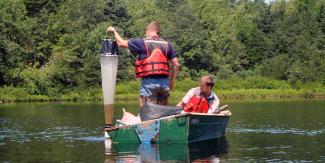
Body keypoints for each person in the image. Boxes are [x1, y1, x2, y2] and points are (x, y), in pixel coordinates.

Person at [107, 22, 180, 107]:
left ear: (148, 31)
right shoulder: (167, 45)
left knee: (147, 114)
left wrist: (114, 31)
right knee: (162, 114)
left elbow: (120, 43)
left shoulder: (142, 42)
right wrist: (171, 82)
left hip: (149, 84)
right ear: (158, 32)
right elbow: (176, 65)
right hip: (164, 84)